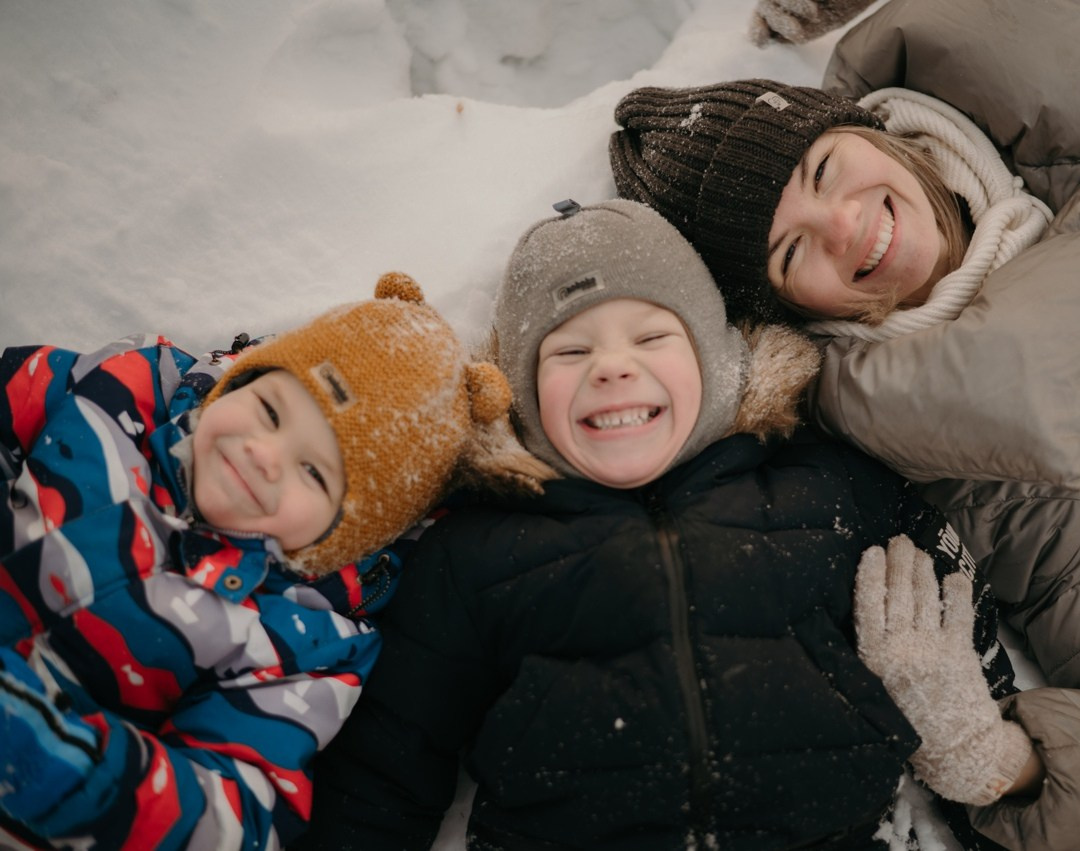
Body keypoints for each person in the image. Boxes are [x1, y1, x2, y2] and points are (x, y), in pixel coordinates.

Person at [608, 0, 1080, 848]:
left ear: (864, 130)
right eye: (792, 252)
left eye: (822, 170)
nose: (847, 224)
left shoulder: (1035, 108)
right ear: (788, 311)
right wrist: (994, 755)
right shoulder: (992, 464)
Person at [296, 199, 1025, 850]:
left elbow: (953, 604)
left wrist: (975, 737)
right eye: (570, 350)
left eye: (650, 338)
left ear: (715, 358)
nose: (612, 367)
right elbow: (387, 763)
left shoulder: (822, 486)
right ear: (518, 389)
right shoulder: (477, 551)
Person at [0, 272, 542, 849]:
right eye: (271, 411)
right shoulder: (114, 396)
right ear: (243, 378)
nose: (264, 455)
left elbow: (232, 812)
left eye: (314, 471)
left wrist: (45, 759)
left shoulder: (303, 642)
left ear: (350, 533)